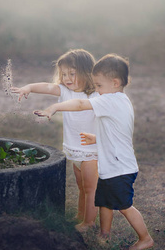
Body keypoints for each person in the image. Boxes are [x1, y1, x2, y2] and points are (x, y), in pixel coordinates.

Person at [34, 54, 154, 250]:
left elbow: (81, 105)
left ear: (115, 83)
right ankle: (103, 235)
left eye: (98, 85)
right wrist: (96, 138)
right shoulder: (117, 100)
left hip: (120, 168)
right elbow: (118, 132)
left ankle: (145, 238)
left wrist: (54, 107)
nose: (96, 90)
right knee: (104, 202)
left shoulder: (111, 100)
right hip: (110, 165)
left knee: (124, 206)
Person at [11, 49, 99, 232]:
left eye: (72, 73)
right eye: (64, 74)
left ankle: (89, 222)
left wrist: (54, 108)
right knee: (81, 187)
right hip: (74, 149)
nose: (67, 78)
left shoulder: (96, 95)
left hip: (92, 151)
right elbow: (47, 86)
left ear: (87, 72)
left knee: (91, 189)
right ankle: (80, 215)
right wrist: (28, 87)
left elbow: (90, 109)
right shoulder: (65, 91)